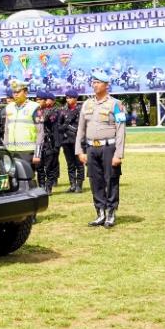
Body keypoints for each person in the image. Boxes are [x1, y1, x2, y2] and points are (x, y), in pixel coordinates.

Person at [76, 71, 126, 228]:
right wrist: (79, 150)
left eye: (98, 82)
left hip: (108, 147)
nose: (95, 85)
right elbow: (81, 129)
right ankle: (100, 212)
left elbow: (121, 129)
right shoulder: (87, 104)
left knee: (111, 180)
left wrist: (118, 154)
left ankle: (111, 212)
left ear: (106, 85)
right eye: (93, 82)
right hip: (91, 148)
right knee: (95, 180)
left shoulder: (116, 104)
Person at [3, 81, 43, 169]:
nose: (16, 94)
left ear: (25, 93)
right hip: (11, 151)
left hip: (27, 152)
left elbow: (40, 132)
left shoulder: (34, 107)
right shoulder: (9, 107)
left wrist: (37, 154)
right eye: (14, 92)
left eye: (18, 92)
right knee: (12, 176)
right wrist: (5, 149)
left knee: (26, 176)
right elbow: (6, 131)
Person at [59, 89, 84, 193]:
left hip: (77, 140)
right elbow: (59, 124)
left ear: (76, 98)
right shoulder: (63, 110)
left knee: (79, 163)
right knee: (70, 164)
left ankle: (79, 185)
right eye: (67, 97)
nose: (68, 99)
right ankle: (72, 184)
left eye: (70, 98)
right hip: (66, 140)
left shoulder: (81, 110)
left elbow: (82, 125)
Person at [40, 92, 61, 194]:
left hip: (49, 142)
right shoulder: (36, 111)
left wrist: (57, 143)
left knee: (50, 166)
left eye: (46, 99)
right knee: (40, 167)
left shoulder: (53, 111)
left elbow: (55, 128)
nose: (45, 101)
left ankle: (49, 186)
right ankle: (41, 186)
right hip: (39, 142)